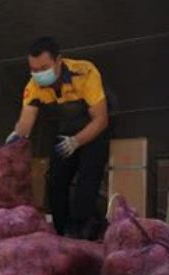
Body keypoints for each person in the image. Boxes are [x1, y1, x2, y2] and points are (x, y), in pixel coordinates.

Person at [7, 36, 110, 239]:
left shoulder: (85, 72)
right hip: (65, 132)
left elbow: (101, 120)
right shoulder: (33, 86)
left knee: (87, 181)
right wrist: (16, 137)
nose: (38, 74)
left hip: (92, 130)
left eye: (43, 68)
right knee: (55, 181)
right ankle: (61, 233)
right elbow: (26, 119)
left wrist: (77, 141)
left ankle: (84, 229)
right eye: (34, 70)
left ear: (59, 61)